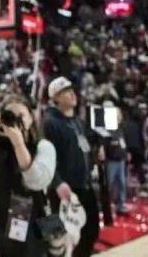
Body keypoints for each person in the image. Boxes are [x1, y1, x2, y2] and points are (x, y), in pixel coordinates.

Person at [0, 97, 56, 257]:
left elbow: (36, 181)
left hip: (31, 221)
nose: (15, 120)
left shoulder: (43, 146)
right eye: (10, 115)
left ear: (31, 118)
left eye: (21, 116)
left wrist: (18, 143)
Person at [43, 77, 99, 257]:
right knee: (62, 239)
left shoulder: (77, 121)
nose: (72, 94)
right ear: (55, 98)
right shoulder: (50, 123)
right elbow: (46, 158)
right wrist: (57, 182)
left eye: (71, 90)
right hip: (65, 190)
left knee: (91, 230)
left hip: (84, 186)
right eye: (66, 91)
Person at [102, 105, 129, 215]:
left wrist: (126, 153)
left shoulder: (120, 129)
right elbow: (105, 144)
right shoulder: (107, 129)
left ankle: (120, 205)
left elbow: (122, 144)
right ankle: (107, 205)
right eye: (116, 115)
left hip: (121, 161)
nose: (118, 117)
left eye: (119, 115)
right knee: (109, 184)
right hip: (111, 161)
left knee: (122, 184)